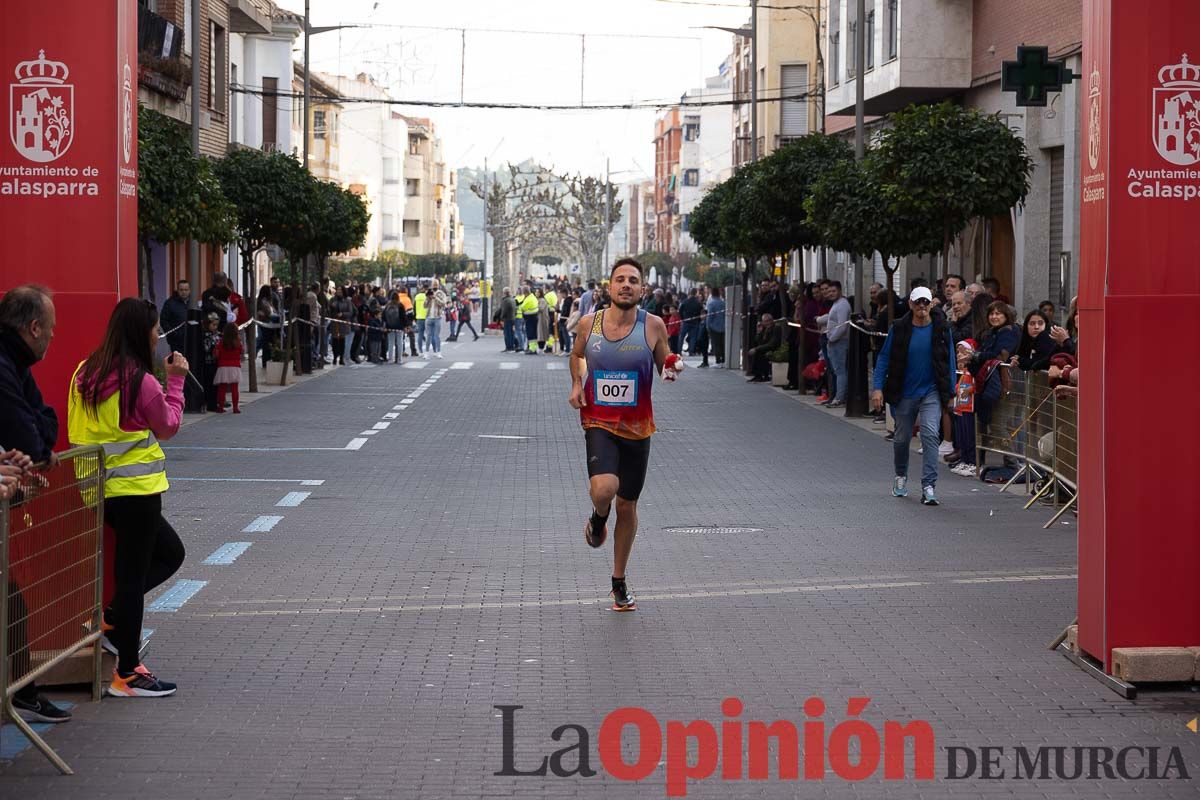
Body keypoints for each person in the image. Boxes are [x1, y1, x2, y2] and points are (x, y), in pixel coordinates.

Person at [68, 298, 186, 697]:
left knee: (168, 554)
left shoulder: (84, 373)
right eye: (154, 328)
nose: (158, 335)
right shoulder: (141, 381)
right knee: (135, 578)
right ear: (141, 332)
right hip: (136, 491)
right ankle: (128, 672)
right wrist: (178, 380)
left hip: (97, 490)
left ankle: (111, 620)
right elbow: (168, 426)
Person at [569, 258, 681, 612]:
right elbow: (576, 355)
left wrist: (671, 366)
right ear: (610, 287)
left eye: (633, 280)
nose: (626, 285)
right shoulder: (590, 324)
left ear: (642, 289)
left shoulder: (653, 325)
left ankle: (618, 580)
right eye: (620, 279)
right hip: (599, 421)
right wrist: (576, 382)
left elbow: (666, 358)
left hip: (638, 428)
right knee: (605, 488)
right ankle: (598, 517)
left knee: (628, 505)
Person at [0, 286, 72, 724]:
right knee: (10, 601)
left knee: (11, 600)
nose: (52, 340)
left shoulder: (15, 363)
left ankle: (24, 691)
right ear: (33, 328)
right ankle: (23, 693)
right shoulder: (5, 365)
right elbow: (32, 437)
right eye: (51, 331)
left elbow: (43, 429)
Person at [870, 287, 956, 506]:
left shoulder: (942, 329)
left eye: (926, 302)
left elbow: (950, 362)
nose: (922, 307)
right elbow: (883, 359)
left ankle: (929, 485)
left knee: (929, 434)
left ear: (931, 305)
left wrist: (951, 392)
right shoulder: (898, 329)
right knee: (901, 439)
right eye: (918, 302)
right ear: (910, 304)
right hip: (904, 392)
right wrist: (877, 388)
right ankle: (900, 475)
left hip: (932, 391)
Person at [823, 281, 852, 407]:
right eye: (829, 291)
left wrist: (832, 338)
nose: (831, 293)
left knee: (840, 371)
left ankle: (840, 398)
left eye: (833, 291)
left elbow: (842, 326)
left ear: (840, 291)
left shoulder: (842, 305)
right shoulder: (837, 304)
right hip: (835, 341)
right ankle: (838, 396)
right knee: (837, 370)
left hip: (839, 342)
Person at [212, 322, 243, 413]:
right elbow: (241, 351)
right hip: (235, 366)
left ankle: (220, 407)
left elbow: (217, 353)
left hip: (223, 366)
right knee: (234, 388)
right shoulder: (238, 342)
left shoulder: (222, 342)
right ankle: (235, 408)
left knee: (222, 388)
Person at [746, 313, 781, 383]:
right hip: (765, 347)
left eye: (769, 320)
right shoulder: (764, 329)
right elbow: (758, 341)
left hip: (773, 347)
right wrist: (759, 332)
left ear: (772, 320)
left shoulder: (776, 328)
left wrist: (757, 349)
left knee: (759, 352)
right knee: (756, 351)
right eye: (765, 321)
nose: (767, 323)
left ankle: (762, 375)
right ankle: (757, 375)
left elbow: (772, 343)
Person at [159, 280, 190, 355]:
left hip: (191, 340)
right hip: (176, 342)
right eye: (181, 290)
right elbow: (163, 321)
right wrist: (173, 334)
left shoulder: (193, 302)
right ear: (177, 290)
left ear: (189, 290)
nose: (184, 292)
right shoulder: (170, 303)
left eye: (186, 290)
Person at [201, 313, 222, 412]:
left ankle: (214, 402)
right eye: (213, 325)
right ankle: (210, 403)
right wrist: (214, 347)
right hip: (208, 363)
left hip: (216, 362)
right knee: (209, 384)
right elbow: (206, 348)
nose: (215, 327)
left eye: (216, 325)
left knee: (215, 385)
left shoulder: (217, 334)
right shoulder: (206, 335)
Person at [425, 282, 447, 359]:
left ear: (438, 285)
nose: (434, 286)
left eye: (435, 285)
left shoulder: (441, 293)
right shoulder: (429, 292)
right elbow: (424, 305)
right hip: (428, 317)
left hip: (437, 317)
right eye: (433, 284)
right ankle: (426, 353)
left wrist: (435, 298)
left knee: (437, 336)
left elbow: (443, 303)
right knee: (428, 336)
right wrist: (428, 298)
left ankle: (438, 352)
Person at [678, 288, 703, 355]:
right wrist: (698, 320)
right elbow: (701, 311)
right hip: (695, 322)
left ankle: (679, 351)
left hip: (686, 321)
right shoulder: (698, 303)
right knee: (693, 337)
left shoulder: (685, 301)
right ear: (696, 293)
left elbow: (680, 310)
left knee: (681, 336)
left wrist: (682, 318)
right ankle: (691, 351)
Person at [705, 286, 726, 367]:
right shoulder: (723, 302)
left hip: (714, 326)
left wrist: (707, 325)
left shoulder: (711, 303)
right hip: (723, 326)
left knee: (716, 344)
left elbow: (710, 316)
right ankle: (724, 360)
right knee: (722, 344)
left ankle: (718, 361)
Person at [384, 293, 406, 364]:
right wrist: (405, 325)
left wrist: (385, 325)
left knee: (391, 343)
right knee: (399, 343)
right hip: (399, 327)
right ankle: (399, 359)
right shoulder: (400, 305)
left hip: (389, 327)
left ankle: (390, 359)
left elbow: (383, 316)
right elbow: (403, 317)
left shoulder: (387, 306)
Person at [521, 285, 540, 354]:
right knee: (534, 333)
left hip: (530, 317)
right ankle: (534, 348)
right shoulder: (533, 297)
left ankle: (532, 349)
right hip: (534, 317)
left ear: (525, 292)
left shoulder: (528, 299)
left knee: (530, 333)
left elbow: (522, 307)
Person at [499, 287, 518, 352]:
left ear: (504, 293)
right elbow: (515, 309)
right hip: (513, 318)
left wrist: (501, 319)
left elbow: (504, 311)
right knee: (512, 333)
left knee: (507, 333)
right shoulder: (512, 299)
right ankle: (513, 345)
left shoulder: (505, 300)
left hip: (507, 318)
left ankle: (508, 347)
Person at [413, 283, 429, 357]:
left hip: (419, 317)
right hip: (427, 317)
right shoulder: (427, 297)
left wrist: (415, 318)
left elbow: (414, 308)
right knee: (429, 334)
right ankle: (427, 351)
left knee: (420, 335)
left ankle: (420, 351)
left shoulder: (417, 297)